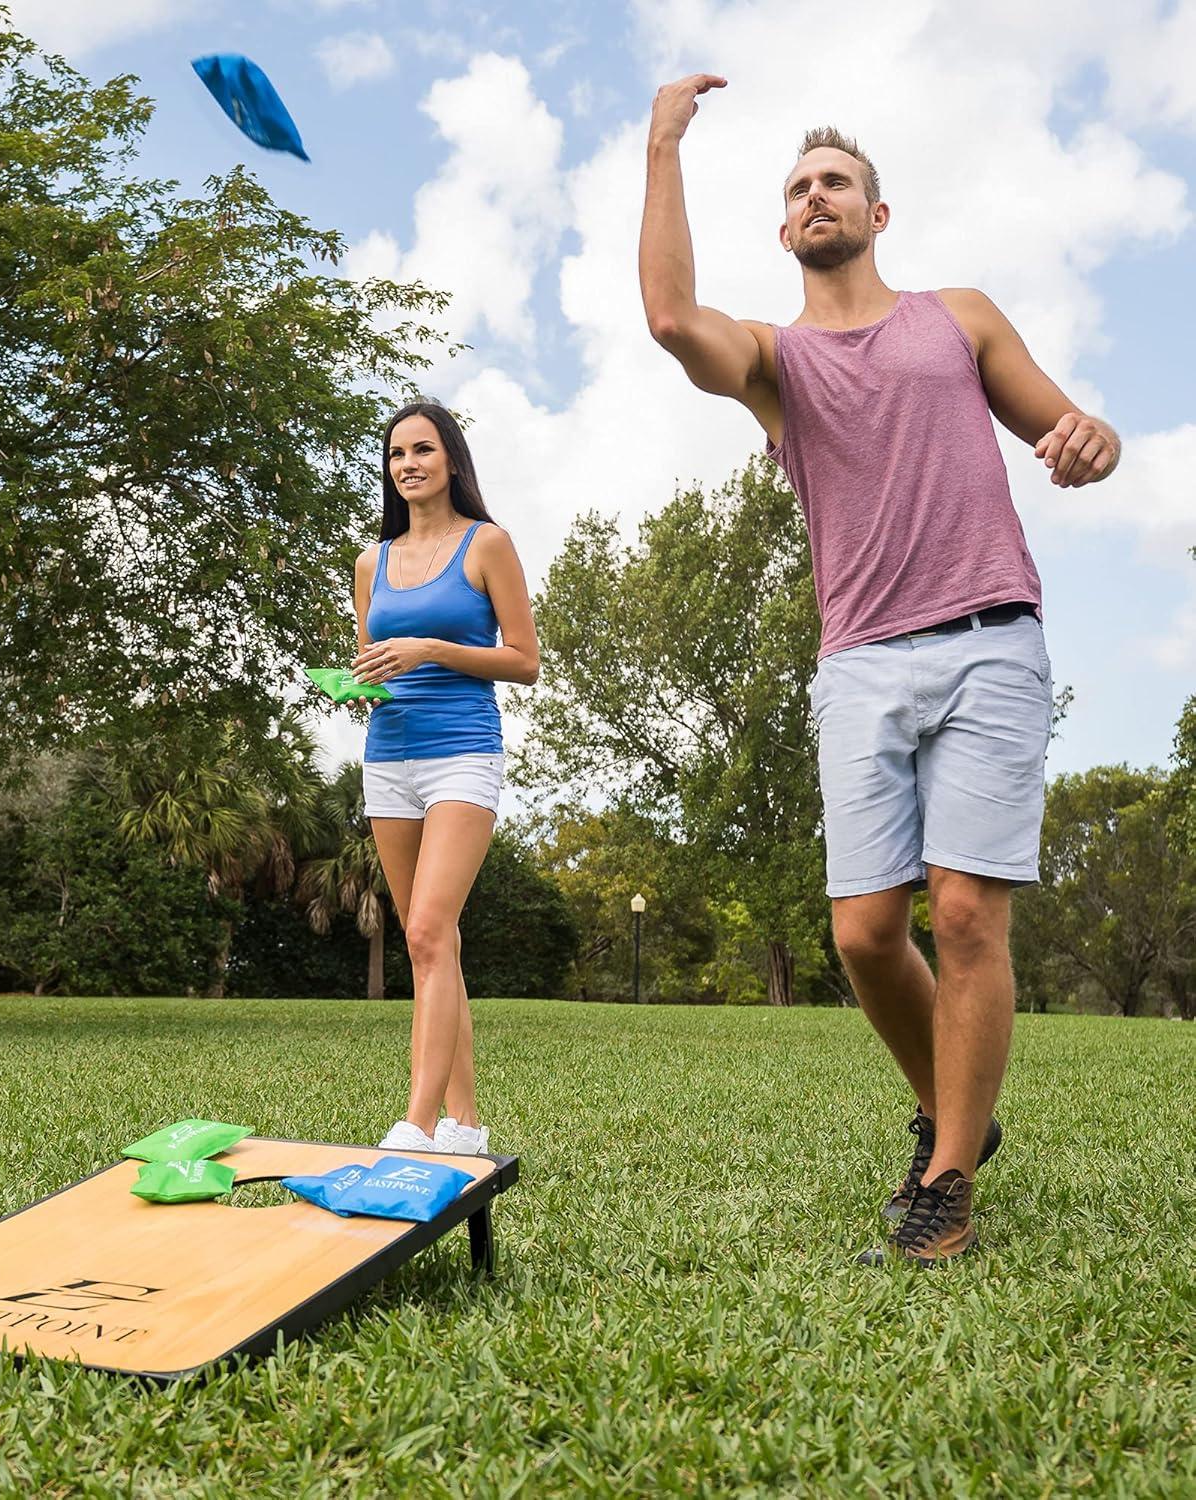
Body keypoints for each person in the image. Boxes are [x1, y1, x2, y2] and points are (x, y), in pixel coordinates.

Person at [638, 77, 1121, 1263]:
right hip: (857, 661)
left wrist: (1091, 444)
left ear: (877, 213)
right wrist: (662, 143)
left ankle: (946, 1180)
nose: (815, 196)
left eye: (834, 182)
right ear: (784, 227)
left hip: (991, 641)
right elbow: (665, 316)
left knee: (964, 910)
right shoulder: (774, 364)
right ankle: (959, 1114)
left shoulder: (959, 319)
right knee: (862, 934)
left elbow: (1072, 437)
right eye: (798, 188)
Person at [350, 401, 540, 1155]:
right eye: (397, 454)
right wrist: (352, 682)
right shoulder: (373, 562)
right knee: (431, 941)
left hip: (463, 752)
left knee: (429, 930)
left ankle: (417, 1125)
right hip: (388, 756)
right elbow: (373, 664)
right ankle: (464, 1123)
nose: (409, 464)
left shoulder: (487, 544)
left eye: (423, 449)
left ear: (451, 460)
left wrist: (432, 647)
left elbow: (524, 661)